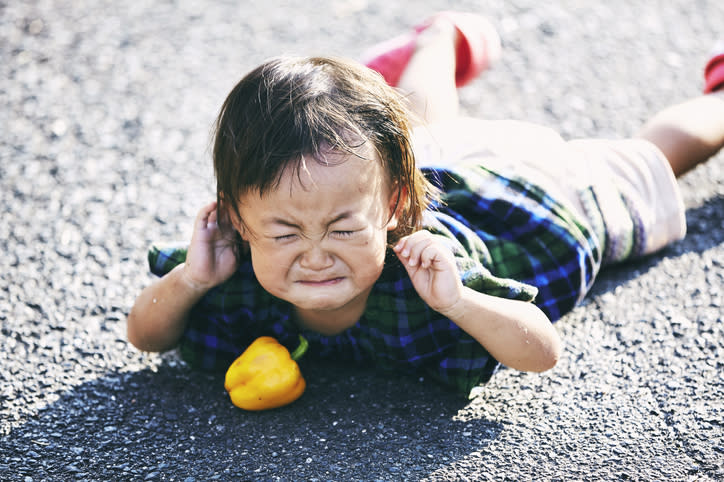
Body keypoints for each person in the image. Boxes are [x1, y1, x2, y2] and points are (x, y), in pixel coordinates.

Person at [127, 12, 724, 397]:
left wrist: (462, 301)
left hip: (544, 198)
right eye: (284, 234)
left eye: (342, 229)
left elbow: (540, 351)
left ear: (395, 208)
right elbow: (144, 336)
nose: (314, 255)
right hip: (446, 166)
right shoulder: (232, 261)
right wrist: (188, 281)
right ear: (236, 219)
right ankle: (441, 37)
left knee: (654, 157)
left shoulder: (430, 268)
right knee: (431, 129)